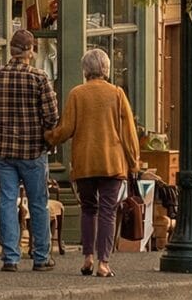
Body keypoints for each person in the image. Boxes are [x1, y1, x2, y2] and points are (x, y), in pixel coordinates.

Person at [47, 48, 139, 279]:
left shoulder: (77, 94)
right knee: (108, 212)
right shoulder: (117, 94)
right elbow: (129, 133)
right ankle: (104, 263)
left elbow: (67, 129)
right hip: (112, 162)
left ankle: (87, 257)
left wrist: (49, 137)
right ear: (106, 69)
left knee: (88, 210)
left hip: (85, 162)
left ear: (85, 70)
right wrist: (134, 162)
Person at [0, 29, 60, 271]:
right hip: (33, 150)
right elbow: (52, 116)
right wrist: (44, 138)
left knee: (6, 201)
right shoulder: (39, 78)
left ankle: (10, 257)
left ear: (11, 50)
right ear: (30, 51)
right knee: (38, 202)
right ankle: (41, 256)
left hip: (4, 152)